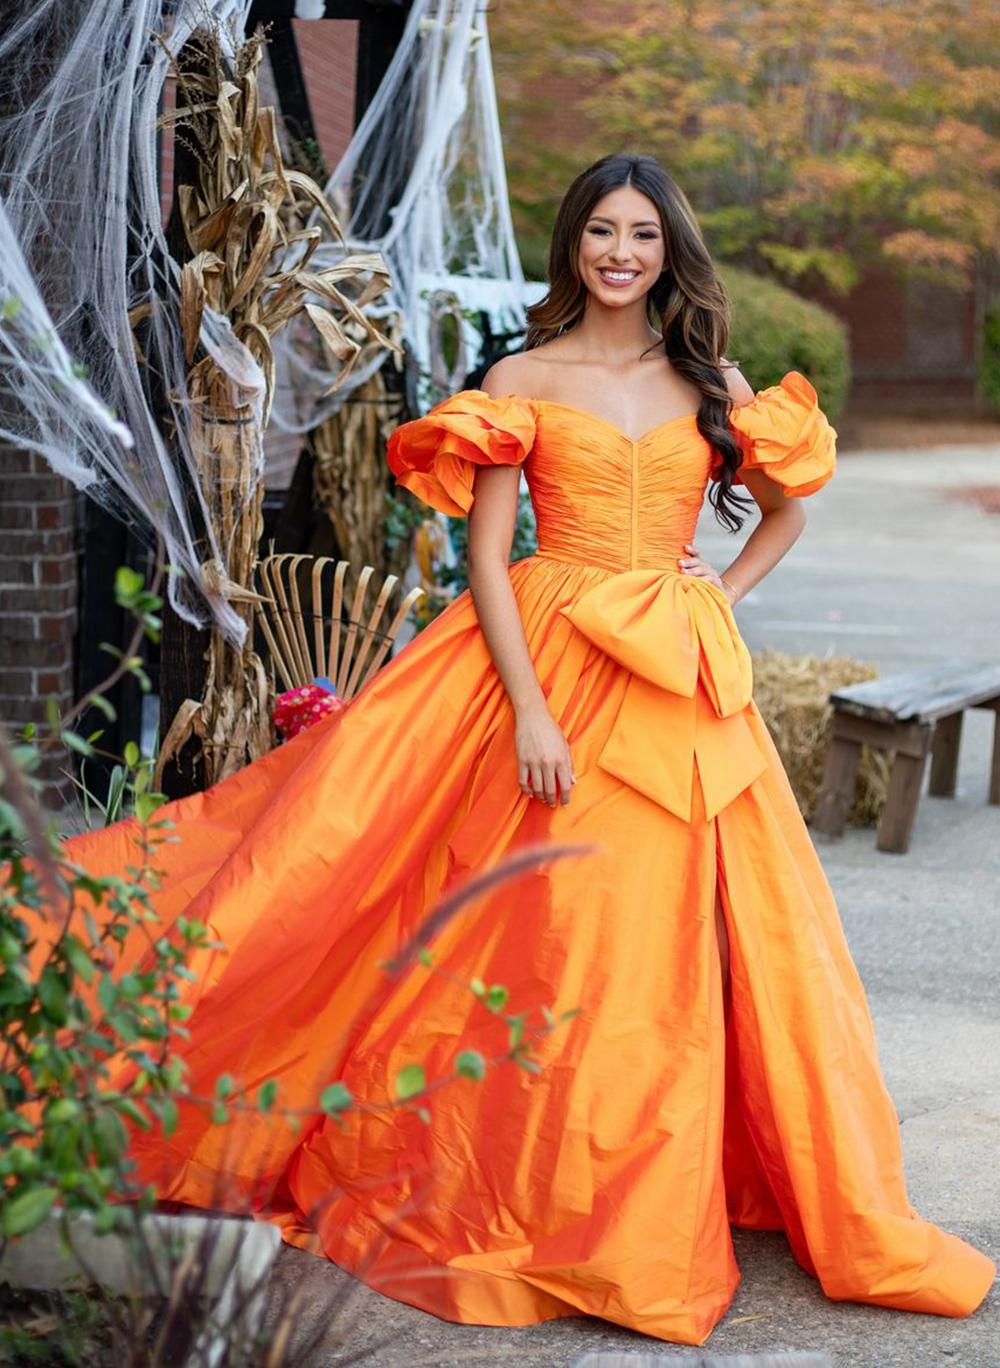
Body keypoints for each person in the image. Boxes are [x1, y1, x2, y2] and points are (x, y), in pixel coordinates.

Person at [59, 152, 994, 1347]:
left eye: (643, 236)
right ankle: (549, 1188)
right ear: (573, 246)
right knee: (548, 924)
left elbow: (790, 500)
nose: (621, 253)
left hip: (674, 674)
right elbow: (487, 562)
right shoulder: (521, 377)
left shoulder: (710, 376)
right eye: (601, 231)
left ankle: (635, 1200)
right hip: (547, 662)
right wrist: (533, 715)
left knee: (662, 933)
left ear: (669, 253)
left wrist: (728, 586)